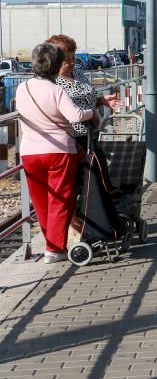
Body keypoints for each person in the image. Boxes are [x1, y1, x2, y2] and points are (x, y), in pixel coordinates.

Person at [16, 43, 97, 263]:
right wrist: (92, 112)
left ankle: (51, 244)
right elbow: (75, 115)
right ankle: (54, 249)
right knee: (60, 199)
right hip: (59, 151)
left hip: (29, 152)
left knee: (40, 201)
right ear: (56, 65)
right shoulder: (56, 90)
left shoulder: (22, 88)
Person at [47, 35, 120, 152]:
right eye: (67, 59)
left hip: (91, 134)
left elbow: (84, 100)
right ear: (54, 59)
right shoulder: (50, 82)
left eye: (73, 57)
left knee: (98, 163)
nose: (72, 62)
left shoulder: (77, 73)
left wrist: (101, 101)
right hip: (70, 140)